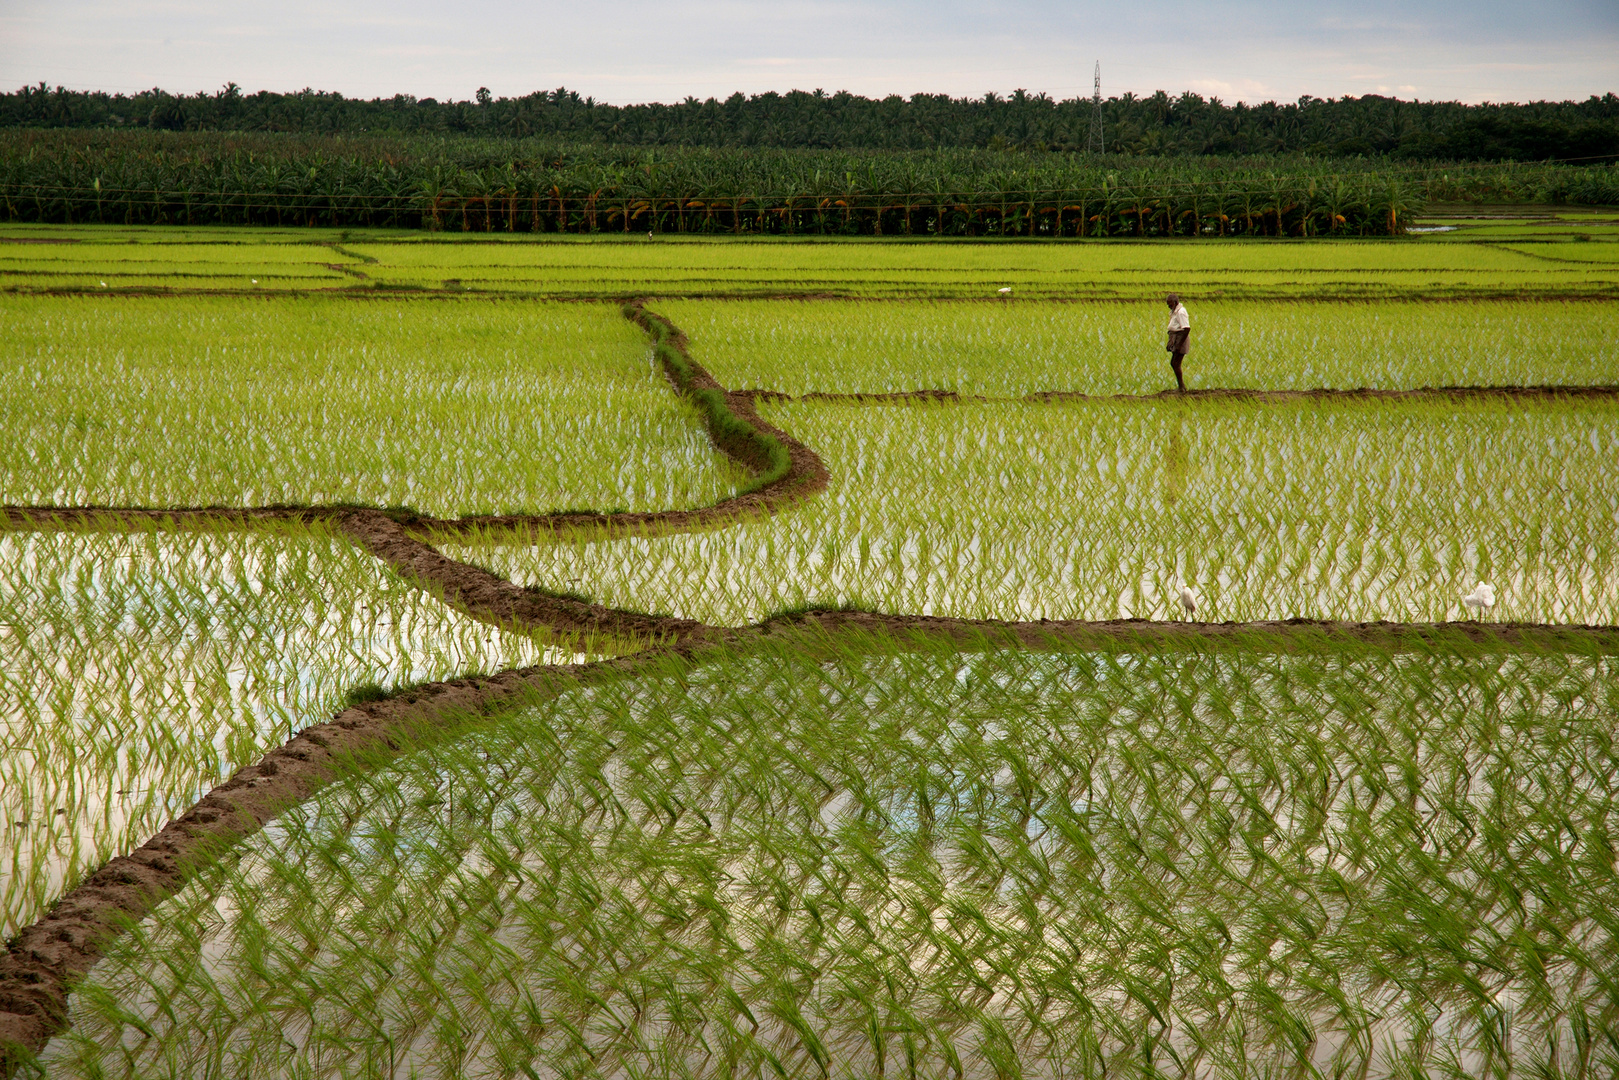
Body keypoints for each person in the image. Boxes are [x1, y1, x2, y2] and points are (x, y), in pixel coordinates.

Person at [1164, 293, 1190, 392]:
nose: (1169, 306)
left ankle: (1182, 387)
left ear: (1176, 302)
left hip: (1180, 338)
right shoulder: (1175, 311)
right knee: (1174, 363)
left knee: (1175, 363)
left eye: (1170, 304)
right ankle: (1181, 387)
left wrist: (1178, 344)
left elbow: (1186, 329)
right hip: (1176, 338)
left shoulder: (1180, 312)